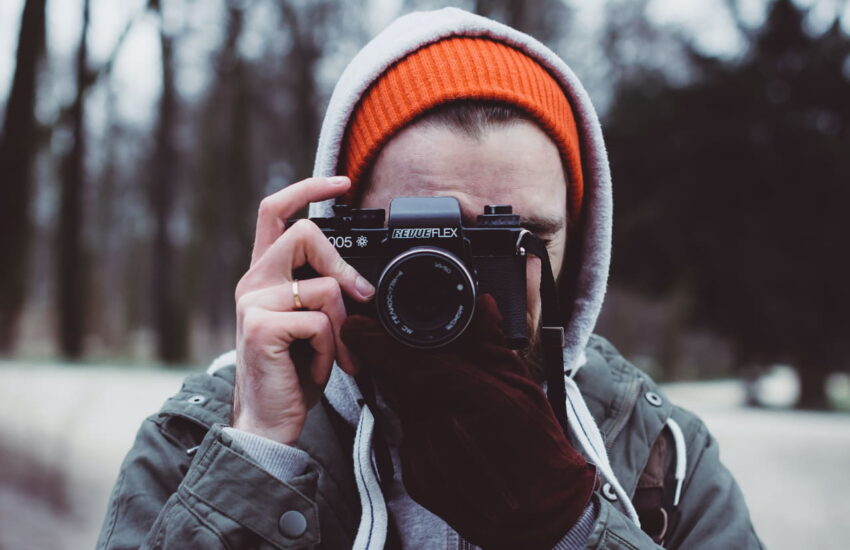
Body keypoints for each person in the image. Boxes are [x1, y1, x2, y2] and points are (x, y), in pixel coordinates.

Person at [97, 8, 763, 550]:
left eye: (511, 241)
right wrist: (258, 460)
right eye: (419, 243)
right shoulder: (195, 444)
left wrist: (568, 525)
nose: (461, 286)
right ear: (341, 234)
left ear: (580, 249)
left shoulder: (655, 457)